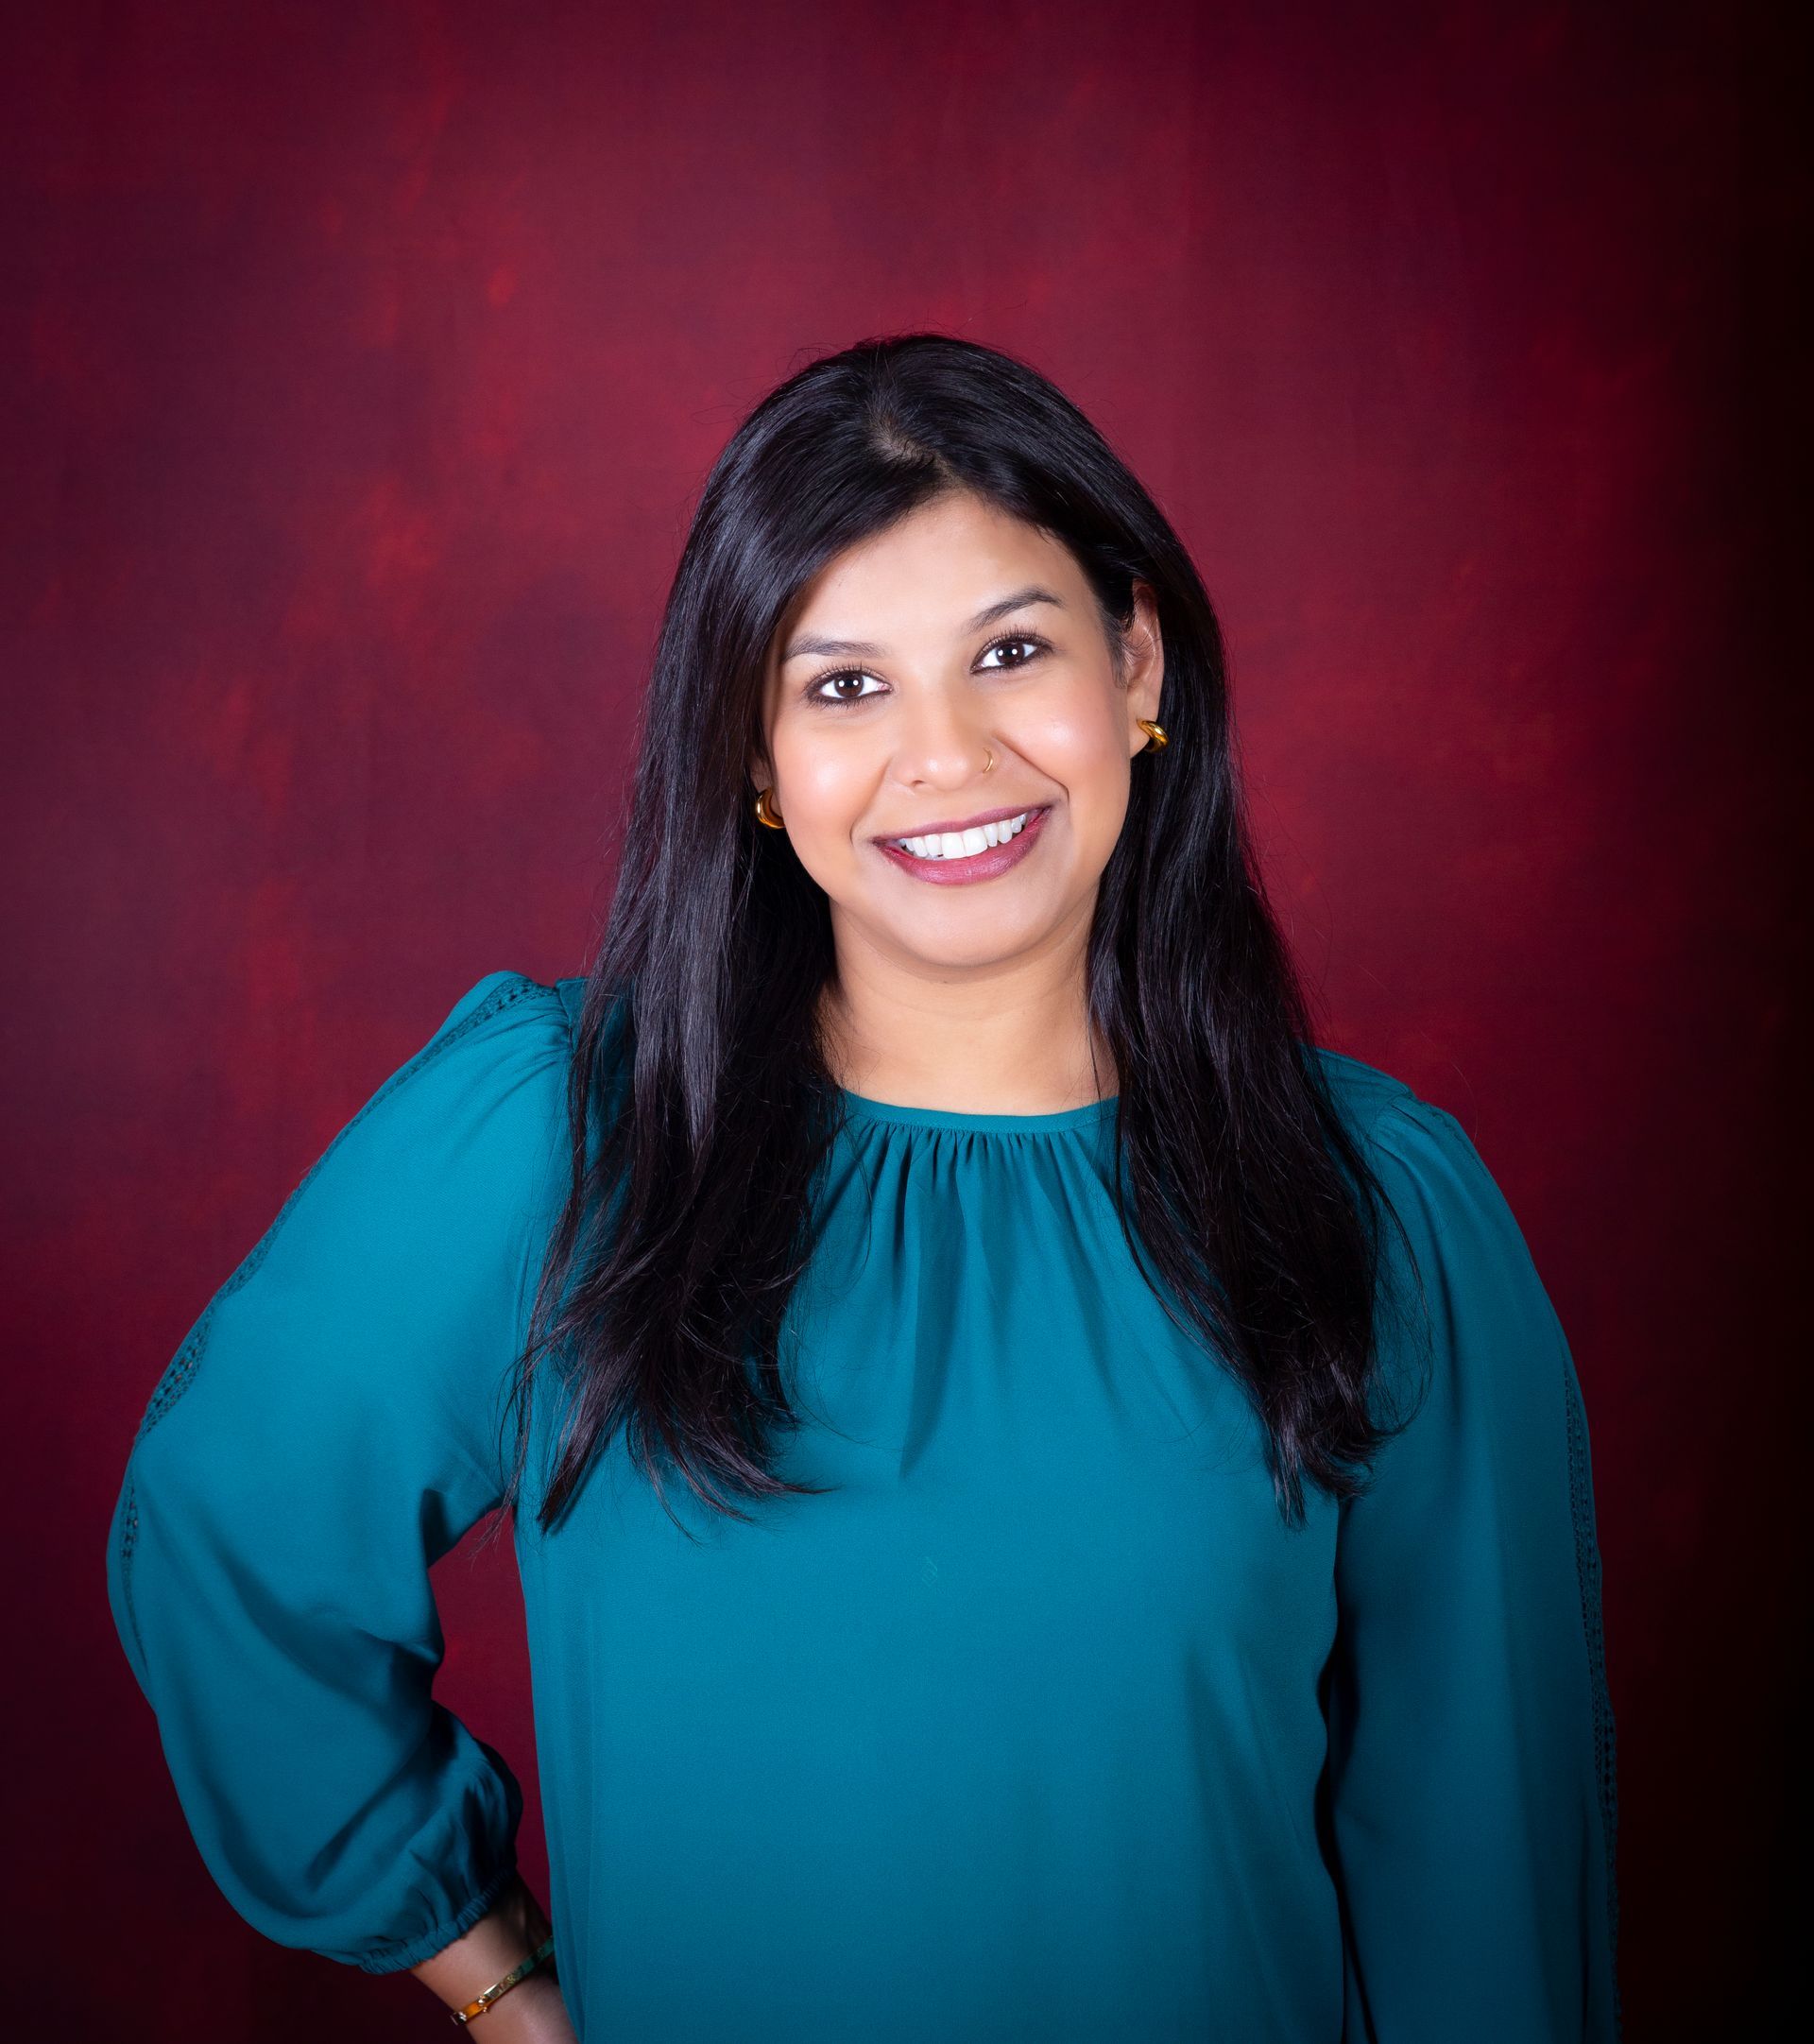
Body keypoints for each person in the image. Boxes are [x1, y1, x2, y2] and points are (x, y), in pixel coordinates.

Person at [105, 334, 1621, 2042]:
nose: (949, 753)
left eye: (1013, 651)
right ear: (754, 760)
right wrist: (496, 1975)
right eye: (844, 687)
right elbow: (228, 1536)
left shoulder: (1382, 1212)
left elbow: (1480, 1882)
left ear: (1137, 666)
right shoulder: (556, 1147)